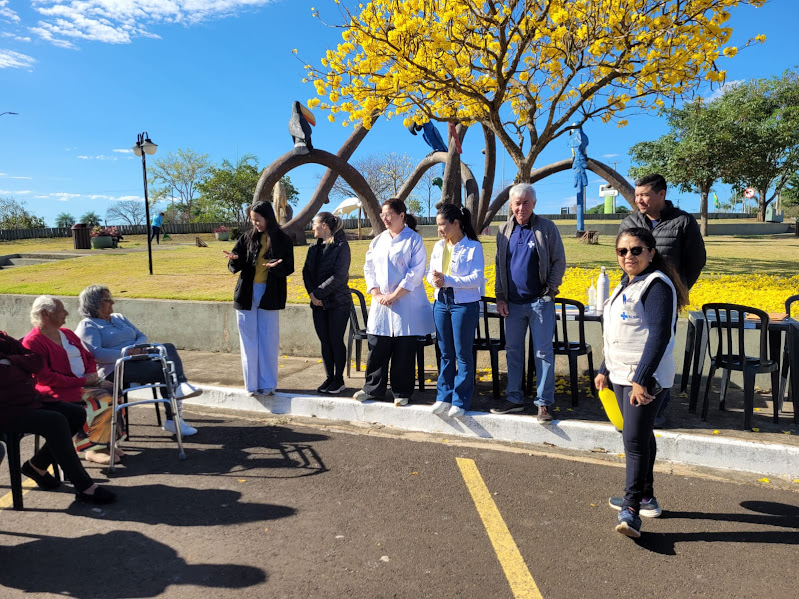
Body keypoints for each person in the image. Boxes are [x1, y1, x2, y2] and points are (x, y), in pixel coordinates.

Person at [594, 227, 689, 538]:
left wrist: (641, 380)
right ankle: (646, 496)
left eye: (636, 250)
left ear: (651, 252)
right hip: (622, 374)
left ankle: (632, 510)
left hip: (644, 378)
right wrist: (604, 368)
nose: (628, 256)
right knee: (639, 434)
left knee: (633, 441)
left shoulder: (656, 286)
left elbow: (658, 336)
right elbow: (620, 333)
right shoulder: (627, 284)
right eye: (622, 251)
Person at [619, 173, 706, 428]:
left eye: (645, 194)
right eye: (637, 195)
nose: (639, 200)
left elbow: (696, 261)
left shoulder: (683, 222)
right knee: (636, 349)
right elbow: (623, 259)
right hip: (634, 297)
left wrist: (677, 290)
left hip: (664, 298)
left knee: (661, 351)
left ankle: (657, 407)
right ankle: (632, 401)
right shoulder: (630, 221)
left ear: (661, 194)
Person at [0, 331, 116, 505]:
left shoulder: (2, 338)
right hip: (6, 410)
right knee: (55, 421)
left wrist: (11, 362)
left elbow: (37, 361)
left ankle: (37, 465)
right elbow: (6, 377)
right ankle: (85, 487)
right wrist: (19, 365)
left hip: (27, 399)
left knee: (75, 413)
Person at [75, 285, 201, 437]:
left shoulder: (119, 318)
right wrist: (126, 352)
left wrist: (137, 347)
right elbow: (97, 354)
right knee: (164, 370)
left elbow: (141, 335)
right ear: (94, 303)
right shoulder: (88, 325)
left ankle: (180, 385)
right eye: (107, 299)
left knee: (167, 347)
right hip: (115, 369)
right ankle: (173, 419)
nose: (112, 302)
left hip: (138, 358)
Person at [490, 183, 566, 422]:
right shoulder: (504, 230)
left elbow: (559, 261)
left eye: (525, 203)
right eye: (516, 203)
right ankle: (514, 398)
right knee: (513, 351)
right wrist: (500, 297)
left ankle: (543, 403)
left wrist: (551, 290)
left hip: (539, 302)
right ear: (510, 205)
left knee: (543, 353)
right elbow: (498, 267)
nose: (520, 207)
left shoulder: (546, 228)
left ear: (534, 204)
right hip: (512, 304)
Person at [22, 296, 125, 465]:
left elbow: (89, 357)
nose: (66, 313)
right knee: (100, 397)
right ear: (45, 314)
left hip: (82, 382)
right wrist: (82, 382)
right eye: (61, 310)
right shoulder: (33, 341)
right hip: (56, 388)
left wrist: (91, 375)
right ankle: (92, 449)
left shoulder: (67, 333)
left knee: (113, 390)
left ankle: (106, 443)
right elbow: (46, 377)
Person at [353, 199, 434, 406]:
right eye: (382, 214)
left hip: (406, 303)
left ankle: (401, 392)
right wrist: (377, 292)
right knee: (378, 347)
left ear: (401, 215)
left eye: (389, 214)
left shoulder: (413, 240)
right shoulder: (378, 240)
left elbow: (415, 273)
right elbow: (368, 268)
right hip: (381, 304)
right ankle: (372, 389)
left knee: (403, 350)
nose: (385, 218)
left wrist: (395, 295)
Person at [223, 201, 295, 396]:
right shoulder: (247, 237)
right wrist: (233, 260)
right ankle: (251, 385)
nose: (255, 223)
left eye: (258, 220)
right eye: (253, 220)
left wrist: (277, 267)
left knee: (268, 340)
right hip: (246, 293)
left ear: (268, 218)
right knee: (248, 341)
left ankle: (268, 384)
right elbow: (236, 259)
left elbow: (289, 266)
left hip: (270, 293)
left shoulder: (283, 239)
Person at [426, 204, 484, 418]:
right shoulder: (439, 247)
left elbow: (477, 278)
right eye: (438, 225)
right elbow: (429, 274)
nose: (439, 230)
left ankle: (460, 401)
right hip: (441, 302)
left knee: (462, 354)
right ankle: (443, 397)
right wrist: (433, 280)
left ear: (456, 224)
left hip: (464, 304)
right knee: (445, 352)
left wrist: (448, 280)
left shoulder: (473, 247)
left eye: (442, 225)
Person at [302, 212, 352, 395]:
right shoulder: (313, 248)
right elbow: (306, 273)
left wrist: (318, 293)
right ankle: (329, 377)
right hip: (317, 303)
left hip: (338, 303)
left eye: (314, 223)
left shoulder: (342, 246)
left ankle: (339, 379)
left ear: (324, 225)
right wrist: (313, 295)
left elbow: (339, 277)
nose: (312, 227)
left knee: (335, 340)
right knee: (325, 341)